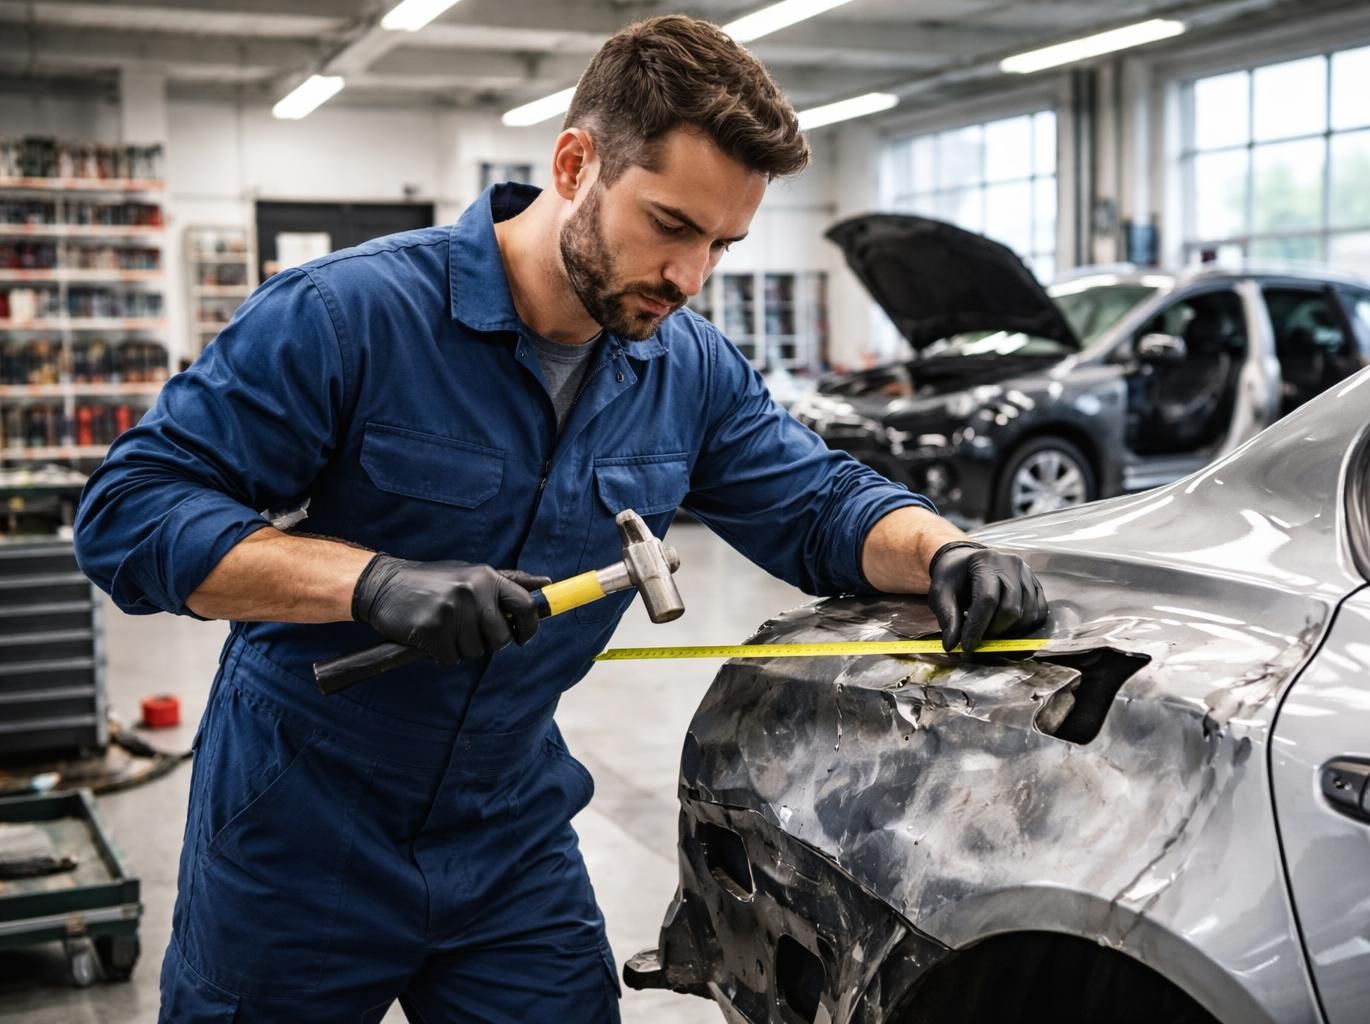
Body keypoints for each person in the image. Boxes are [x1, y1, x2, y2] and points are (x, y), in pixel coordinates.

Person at [74, 14, 1048, 1023]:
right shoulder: (347, 316)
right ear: (575, 164)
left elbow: (821, 502)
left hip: (506, 827)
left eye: (720, 244)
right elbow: (130, 511)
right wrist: (370, 583)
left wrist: (944, 549)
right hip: (298, 823)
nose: (689, 278)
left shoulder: (688, 370)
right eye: (670, 225)